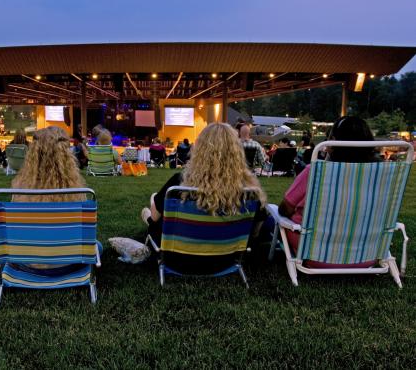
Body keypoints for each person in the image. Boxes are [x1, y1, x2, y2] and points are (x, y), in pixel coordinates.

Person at [140, 123, 266, 273]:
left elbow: (155, 218)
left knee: (152, 209)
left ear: (199, 149)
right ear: (237, 151)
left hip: (178, 259)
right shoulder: (249, 190)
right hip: (227, 261)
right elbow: (255, 232)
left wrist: (154, 201)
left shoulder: (179, 184)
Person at [278, 116, 378, 268]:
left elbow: (285, 208)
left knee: (272, 219)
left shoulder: (316, 172)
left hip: (316, 254)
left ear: (333, 142)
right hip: (366, 255)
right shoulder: (379, 175)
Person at [10, 126, 101, 273]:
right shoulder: (78, 191)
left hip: (26, 263)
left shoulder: (20, 190)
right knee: (96, 245)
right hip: (69, 263)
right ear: (66, 155)